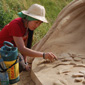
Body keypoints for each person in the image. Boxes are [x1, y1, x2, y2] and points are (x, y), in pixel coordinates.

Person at [0, 4, 57, 72]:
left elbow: (25, 46)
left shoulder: (28, 27)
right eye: (36, 22)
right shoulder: (16, 25)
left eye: (40, 23)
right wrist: (44, 55)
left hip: (9, 51)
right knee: (15, 68)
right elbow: (22, 49)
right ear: (29, 18)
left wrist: (25, 62)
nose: (37, 25)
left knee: (21, 66)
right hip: (2, 51)